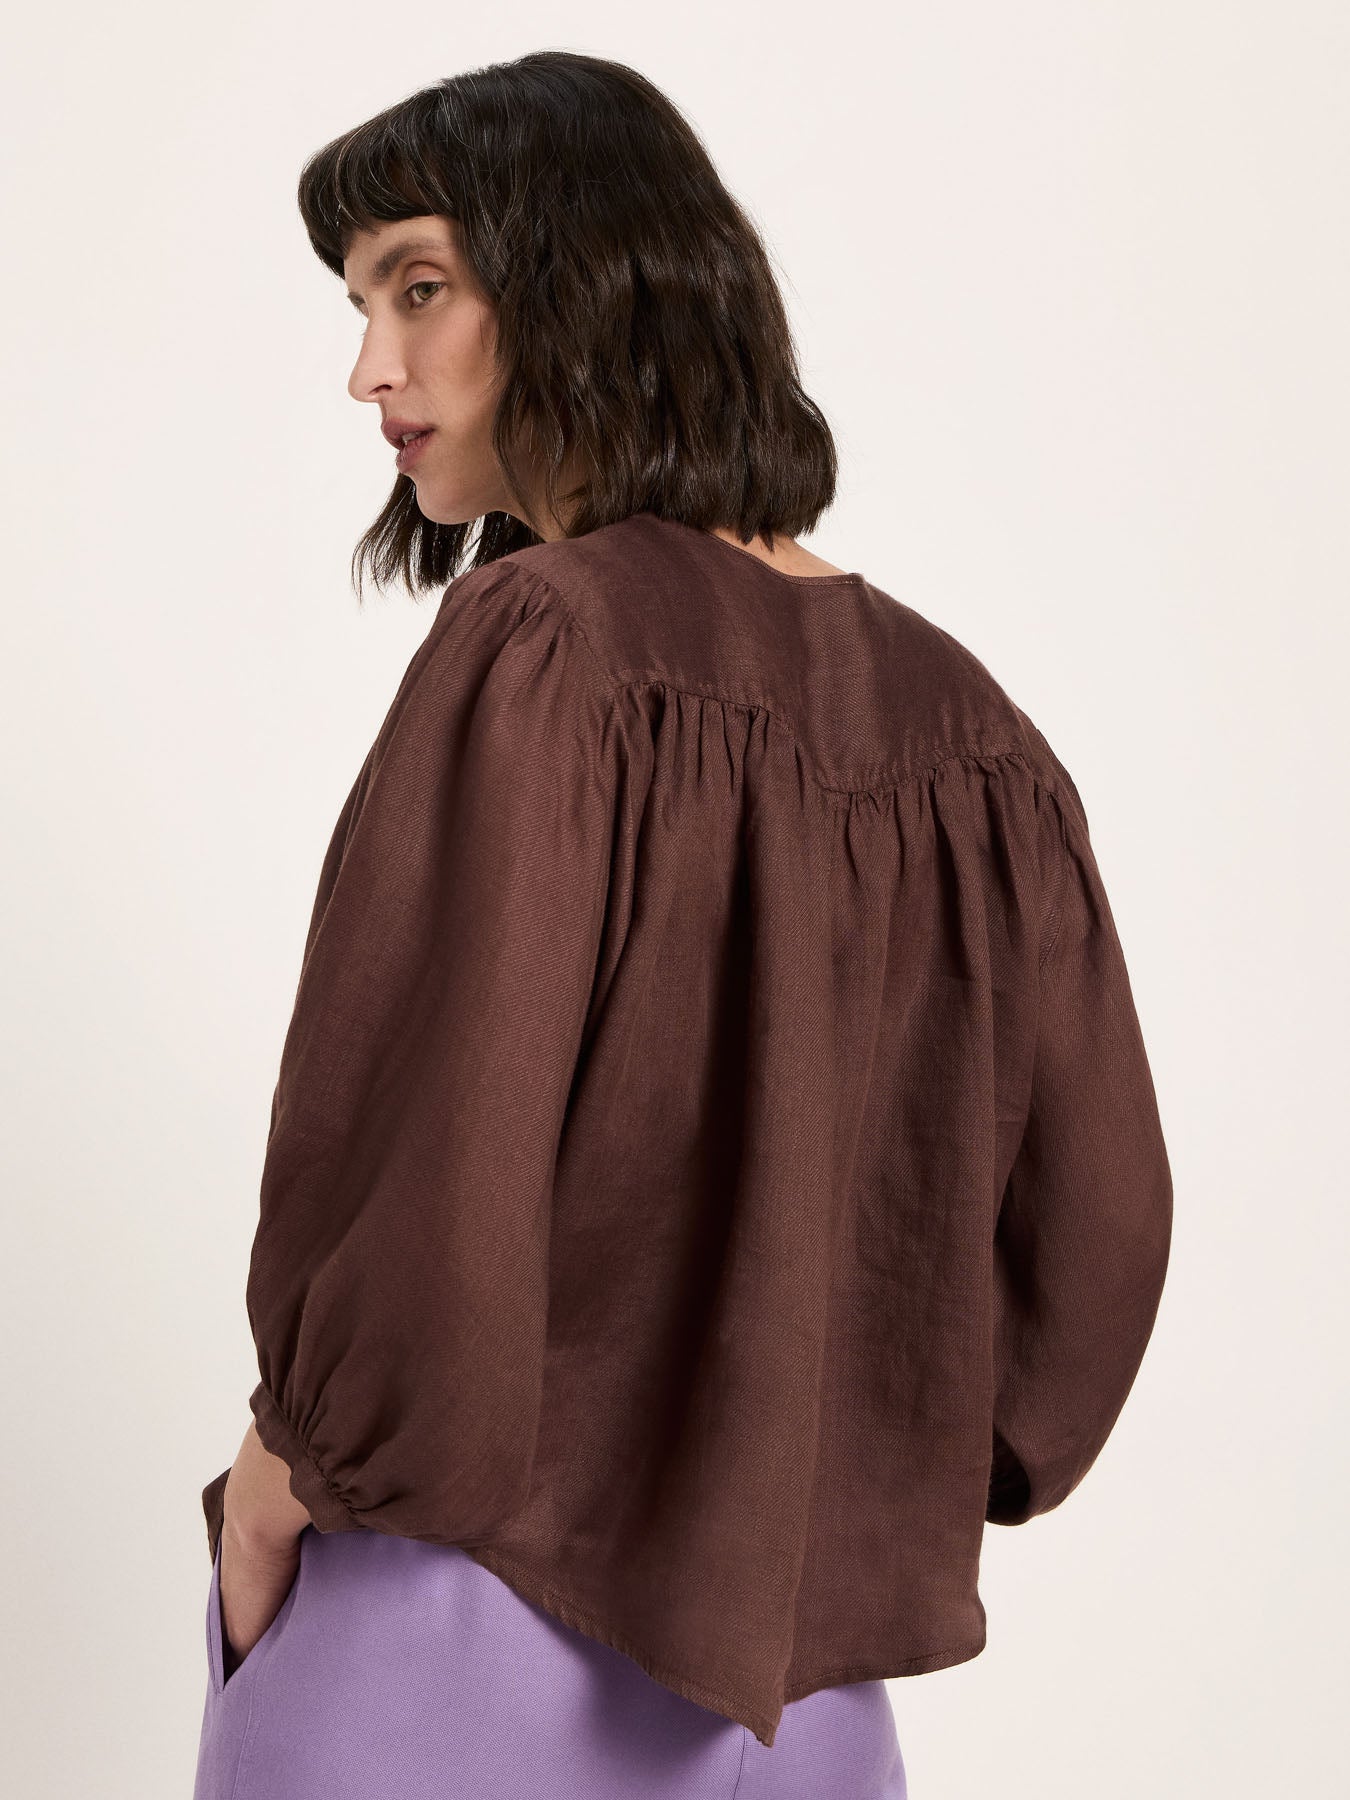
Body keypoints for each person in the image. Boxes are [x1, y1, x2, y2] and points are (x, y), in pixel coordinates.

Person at [192, 50, 1172, 1800]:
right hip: (812, 1709)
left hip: (458, 1636)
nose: (369, 370)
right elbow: (1097, 1242)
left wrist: (279, 1488)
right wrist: (848, 1473)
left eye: (418, 289)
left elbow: (430, 1143)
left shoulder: (543, 645)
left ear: (577, 282)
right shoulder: (976, 738)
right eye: (359, 308)